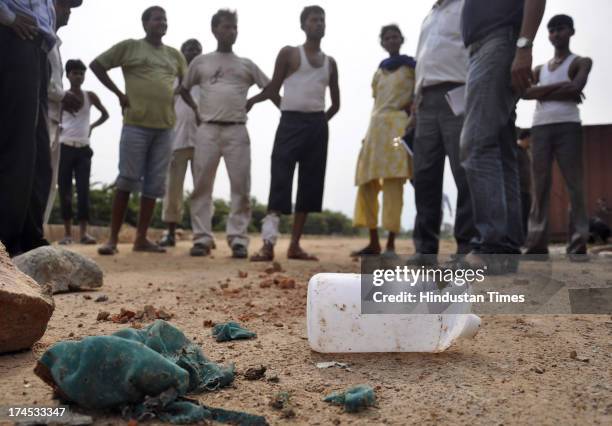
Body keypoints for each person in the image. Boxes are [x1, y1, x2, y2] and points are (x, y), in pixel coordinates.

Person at [179, 10, 277, 258]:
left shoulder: (246, 64)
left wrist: (254, 99)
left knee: (241, 186)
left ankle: (238, 239)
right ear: (214, 29)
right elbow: (183, 89)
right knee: (202, 185)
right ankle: (201, 238)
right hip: (207, 129)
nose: (231, 31)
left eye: (234, 27)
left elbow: (271, 86)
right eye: (226, 27)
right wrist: (196, 110)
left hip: (237, 130)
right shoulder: (201, 62)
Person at [90, 6, 187, 255]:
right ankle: (112, 238)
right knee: (126, 181)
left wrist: (174, 96)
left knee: (154, 185)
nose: (162, 23)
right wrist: (119, 94)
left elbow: (185, 84)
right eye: (157, 19)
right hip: (136, 125)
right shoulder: (130, 46)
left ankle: (141, 238)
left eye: (165, 20)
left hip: (165, 127)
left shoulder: (175, 55)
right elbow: (97, 65)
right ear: (145, 24)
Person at [459, 0, 546, 273]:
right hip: (488, 48)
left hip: (497, 43)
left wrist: (524, 46)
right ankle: (505, 248)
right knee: (500, 148)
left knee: (476, 144)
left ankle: (491, 245)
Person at [249, 5, 340, 262]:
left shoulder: (330, 63)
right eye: (314, 20)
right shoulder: (289, 53)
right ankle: (268, 244)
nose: (319, 24)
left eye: (322, 20)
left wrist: (318, 123)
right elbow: (272, 87)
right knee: (280, 178)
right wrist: (253, 100)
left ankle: (295, 245)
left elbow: (336, 104)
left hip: (317, 126)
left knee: (310, 185)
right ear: (303, 25)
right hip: (289, 123)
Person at [408, 0, 475, 267]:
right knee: (424, 177)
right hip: (425, 101)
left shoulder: (467, 6)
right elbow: (421, 62)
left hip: (457, 93)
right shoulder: (430, 15)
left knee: (464, 174)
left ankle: (466, 247)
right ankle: (425, 250)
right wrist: (415, 107)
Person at [522, 14, 592, 261]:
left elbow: (576, 88)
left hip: (568, 127)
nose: (555, 34)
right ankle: (536, 246)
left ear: (571, 31)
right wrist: (561, 89)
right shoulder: (539, 68)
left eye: (560, 29)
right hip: (540, 128)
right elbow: (525, 93)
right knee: (539, 187)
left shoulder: (581, 61)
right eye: (551, 30)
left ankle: (577, 245)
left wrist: (544, 92)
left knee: (575, 185)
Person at [0, 0, 61, 256]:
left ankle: (30, 238)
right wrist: (7, 17)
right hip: (13, 36)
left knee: (37, 153)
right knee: (17, 146)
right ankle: (5, 241)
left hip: (38, 47)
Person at [351, 24, 415, 257]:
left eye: (395, 36)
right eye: (386, 37)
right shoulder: (378, 72)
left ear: (401, 39)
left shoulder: (411, 68)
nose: (391, 40)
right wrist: (366, 136)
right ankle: (373, 241)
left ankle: (390, 245)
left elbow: (417, 97)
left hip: (398, 128)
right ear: (382, 42)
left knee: (393, 184)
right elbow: (376, 103)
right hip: (375, 130)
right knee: (366, 183)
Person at [57, 59, 109, 245]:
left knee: (83, 190)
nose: (78, 76)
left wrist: (92, 127)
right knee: (65, 190)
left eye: (81, 73)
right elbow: (54, 115)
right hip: (65, 147)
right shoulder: (62, 96)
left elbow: (105, 114)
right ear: (68, 75)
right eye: (74, 73)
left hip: (83, 148)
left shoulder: (90, 96)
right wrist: (59, 128)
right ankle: (67, 234)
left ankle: (84, 233)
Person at [158, 38, 203, 248]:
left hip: (203, 141)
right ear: (182, 53)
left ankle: (203, 235)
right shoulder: (173, 79)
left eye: (197, 49)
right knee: (172, 190)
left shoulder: (206, 79)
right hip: (176, 140)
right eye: (189, 49)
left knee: (202, 190)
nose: (193, 52)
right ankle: (170, 232)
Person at [44, 0, 84, 224]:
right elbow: (42, 79)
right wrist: (62, 96)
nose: (68, 12)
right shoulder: (41, 39)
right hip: (40, 118)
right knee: (37, 179)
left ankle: (36, 234)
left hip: (53, 121)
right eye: (65, 6)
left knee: (49, 182)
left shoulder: (55, 44)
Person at [516, 129, 532, 240]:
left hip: (527, 189)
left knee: (527, 215)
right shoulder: (516, 151)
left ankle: (525, 238)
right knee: (520, 216)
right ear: (526, 138)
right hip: (518, 190)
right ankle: (520, 239)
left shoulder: (527, 151)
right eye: (530, 139)